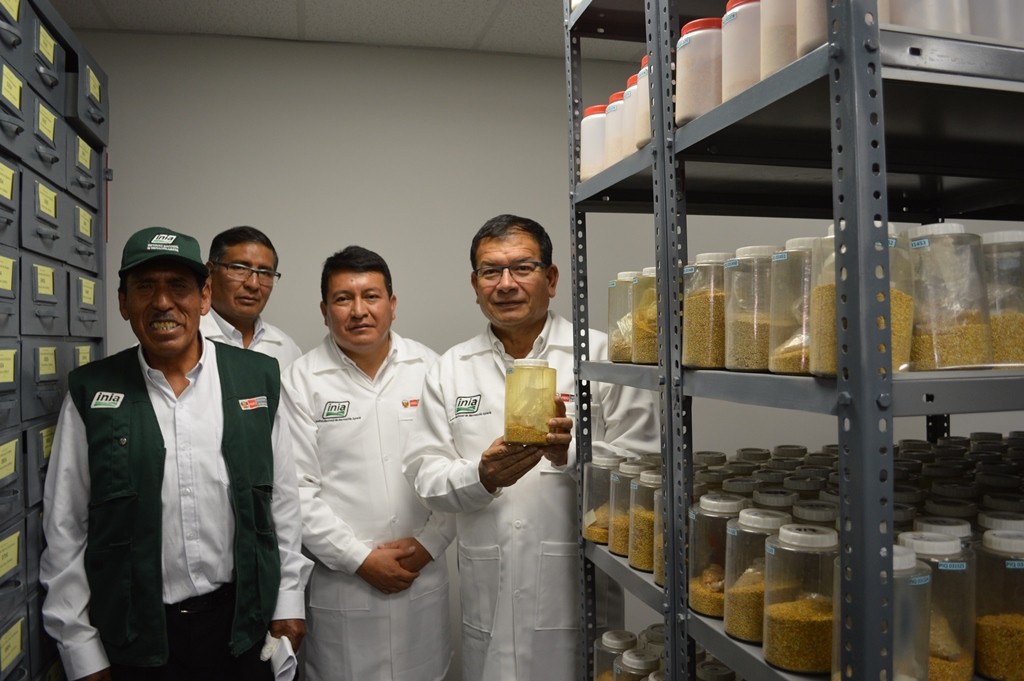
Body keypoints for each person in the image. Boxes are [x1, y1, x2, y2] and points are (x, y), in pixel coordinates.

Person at [40, 226, 312, 681]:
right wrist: (79, 646)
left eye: (179, 286)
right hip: (136, 638)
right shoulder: (92, 393)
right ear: (123, 302)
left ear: (203, 297)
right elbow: (66, 528)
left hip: (241, 626)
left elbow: (282, 502)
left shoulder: (257, 380)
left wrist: (288, 600)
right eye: (145, 287)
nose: (163, 302)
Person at [402, 214, 660, 681]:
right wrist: (481, 476)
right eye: (490, 271)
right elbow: (425, 475)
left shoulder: (601, 357)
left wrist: (572, 455)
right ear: (475, 285)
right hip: (490, 591)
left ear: (552, 278)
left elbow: (647, 463)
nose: (506, 284)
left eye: (522, 268)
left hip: (576, 587)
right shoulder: (451, 368)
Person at [281, 246, 454, 681]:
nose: (359, 311)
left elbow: (456, 470)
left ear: (392, 304)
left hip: (421, 577)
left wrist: (430, 544)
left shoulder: (431, 368)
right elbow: (296, 491)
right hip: (344, 587)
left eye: (371, 296)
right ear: (325, 310)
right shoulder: (300, 380)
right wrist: (359, 558)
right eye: (343, 299)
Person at [201, 225, 302, 367]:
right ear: (210, 273)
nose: (253, 284)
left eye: (265, 273)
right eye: (240, 268)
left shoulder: (287, 349)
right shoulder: (184, 337)